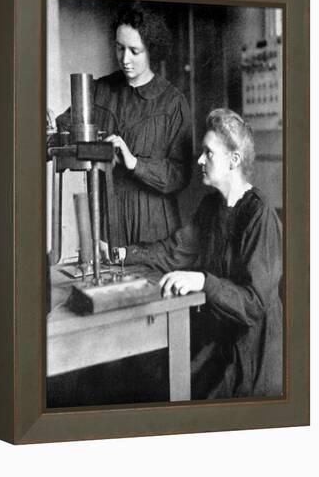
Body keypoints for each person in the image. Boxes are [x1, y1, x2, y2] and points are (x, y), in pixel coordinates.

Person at [115, 108, 283, 400]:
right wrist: (121, 254)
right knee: (159, 384)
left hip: (254, 356)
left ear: (234, 160)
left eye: (209, 153)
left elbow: (254, 304)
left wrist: (203, 281)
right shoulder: (210, 206)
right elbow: (173, 252)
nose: (200, 160)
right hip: (221, 342)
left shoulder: (259, 214)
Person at [57, 2, 192, 246]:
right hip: (108, 220)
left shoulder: (173, 103)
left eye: (134, 51)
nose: (125, 59)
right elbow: (67, 126)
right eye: (119, 48)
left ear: (152, 50)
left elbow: (180, 174)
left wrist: (135, 163)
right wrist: (55, 129)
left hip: (154, 224)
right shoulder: (99, 91)